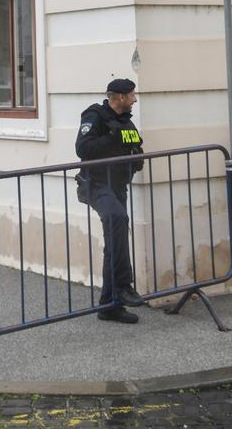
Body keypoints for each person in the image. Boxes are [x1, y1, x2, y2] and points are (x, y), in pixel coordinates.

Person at [75, 78, 145, 324]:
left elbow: (137, 151)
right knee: (118, 218)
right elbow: (83, 149)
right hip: (97, 185)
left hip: (117, 186)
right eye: (132, 95)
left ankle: (109, 305)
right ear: (120, 97)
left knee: (116, 239)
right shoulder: (95, 116)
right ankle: (123, 286)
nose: (135, 99)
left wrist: (135, 158)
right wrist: (111, 139)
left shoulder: (127, 123)